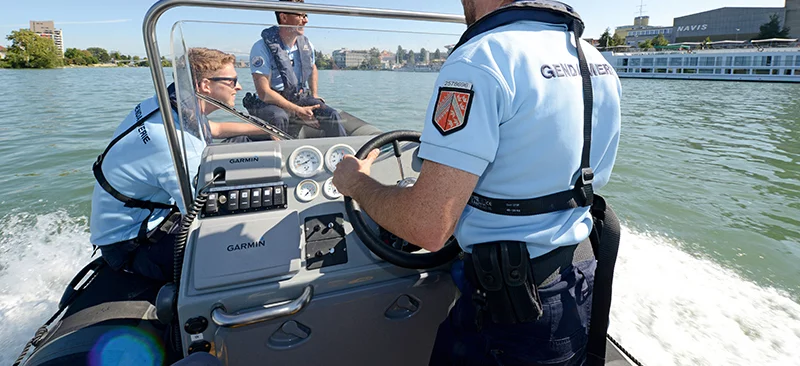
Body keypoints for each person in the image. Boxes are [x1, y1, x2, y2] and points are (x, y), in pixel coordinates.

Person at [333, 0, 621, 364]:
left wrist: (357, 183)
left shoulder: (480, 59)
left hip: (509, 314)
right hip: (577, 282)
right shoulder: (596, 61)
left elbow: (428, 226)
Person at [90, 47, 269, 282]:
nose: (239, 87)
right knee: (246, 254)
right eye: (233, 80)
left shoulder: (164, 105)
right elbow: (206, 214)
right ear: (205, 85)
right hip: (130, 245)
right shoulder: (176, 147)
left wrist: (266, 130)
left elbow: (212, 129)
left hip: (130, 223)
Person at [244, 0, 346, 138]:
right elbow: (264, 93)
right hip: (270, 101)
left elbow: (312, 67)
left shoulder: (306, 45)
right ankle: (279, 157)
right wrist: (298, 110)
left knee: (332, 115)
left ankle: (343, 156)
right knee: (278, 117)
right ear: (284, 17)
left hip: (297, 96)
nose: (306, 21)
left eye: (306, 15)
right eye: (301, 16)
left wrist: (314, 95)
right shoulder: (261, 48)